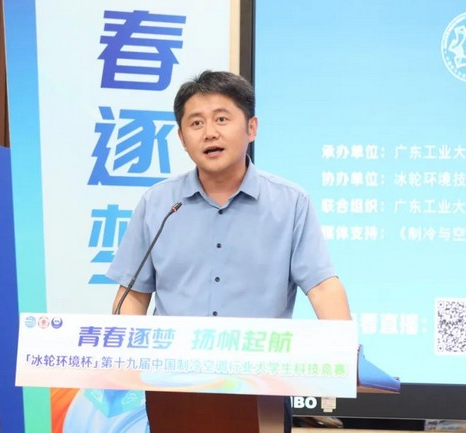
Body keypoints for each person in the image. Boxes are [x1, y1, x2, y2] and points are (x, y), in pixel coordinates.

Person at [107, 70, 351, 432]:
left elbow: (322, 286)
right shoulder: (158, 204)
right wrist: (124, 356)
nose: (209, 133)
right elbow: (133, 294)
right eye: (196, 123)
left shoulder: (290, 203)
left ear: (251, 128)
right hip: (173, 385)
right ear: (182, 138)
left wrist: (343, 351)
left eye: (222, 119)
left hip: (262, 386)